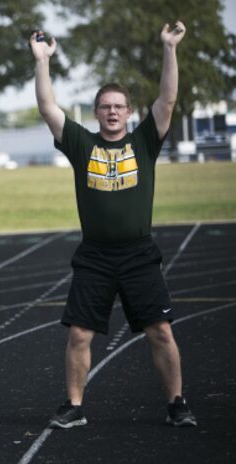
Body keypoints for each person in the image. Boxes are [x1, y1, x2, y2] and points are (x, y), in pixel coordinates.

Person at [31, 21, 197, 428]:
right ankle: (73, 406)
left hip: (139, 254)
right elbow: (49, 109)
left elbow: (168, 99)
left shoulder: (143, 141)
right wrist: (41, 63)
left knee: (160, 331)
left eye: (118, 106)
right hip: (95, 257)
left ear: (129, 112)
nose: (111, 112)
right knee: (79, 335)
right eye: (105, 106)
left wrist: (169, 48)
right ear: (97, 112)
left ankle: (177, 403)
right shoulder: (81, 144)